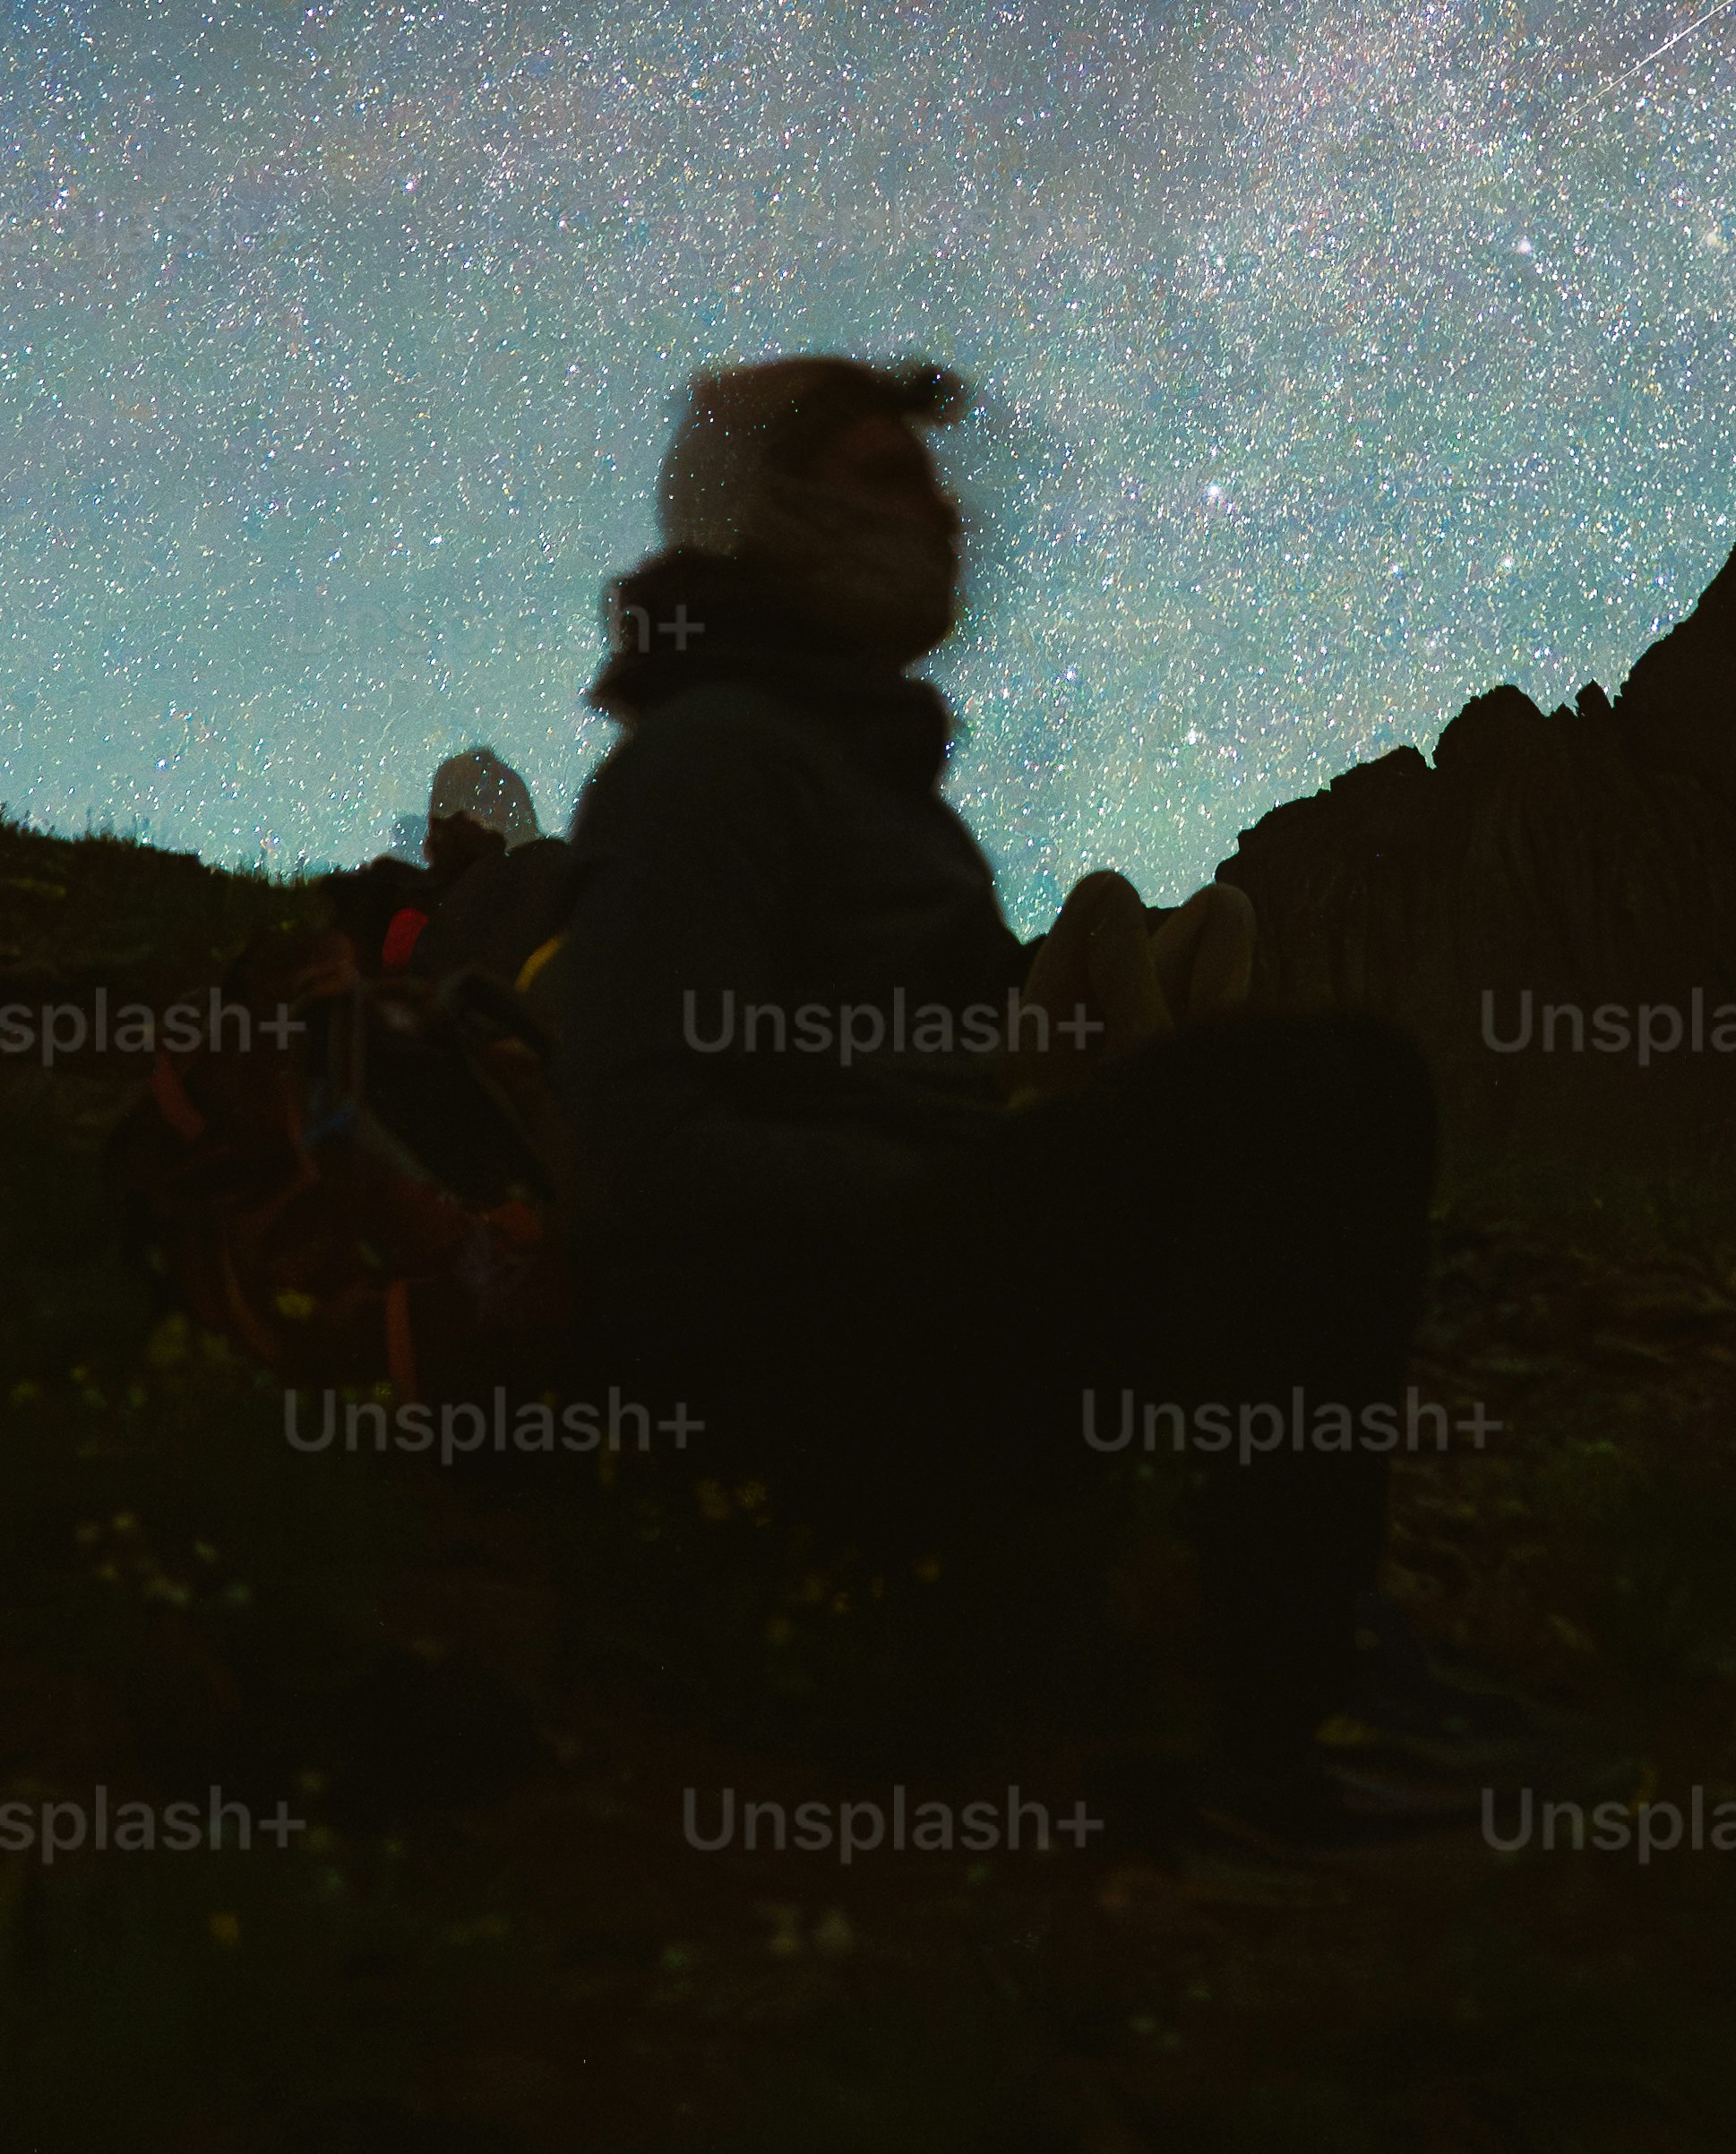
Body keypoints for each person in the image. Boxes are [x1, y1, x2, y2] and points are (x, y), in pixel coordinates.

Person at [542, 348, 1478, 1840]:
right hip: (807, 1344)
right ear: (768, 512)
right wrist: (940, 1195)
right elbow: (642, 1146)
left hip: (905, 1307)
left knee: (1319, 1099)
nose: (942, 513)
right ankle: (1282, 1729)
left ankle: (1308, 1664)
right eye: (885, 475)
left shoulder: (876, 793)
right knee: (1322, 1092)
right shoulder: (712, 764)